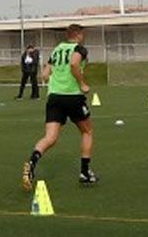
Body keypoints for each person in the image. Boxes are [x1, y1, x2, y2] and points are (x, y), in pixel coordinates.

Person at [22, 24, 95, 191]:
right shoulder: (80, 49)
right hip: (73, 96)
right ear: (78, 35)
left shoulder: (56, 50)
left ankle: (32, 163)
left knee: (50, 137)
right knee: (87, 131)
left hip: (54, 97)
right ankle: (85, 173)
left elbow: (45, 75)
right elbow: (74, 64)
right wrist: (82, 83)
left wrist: (57, 81)